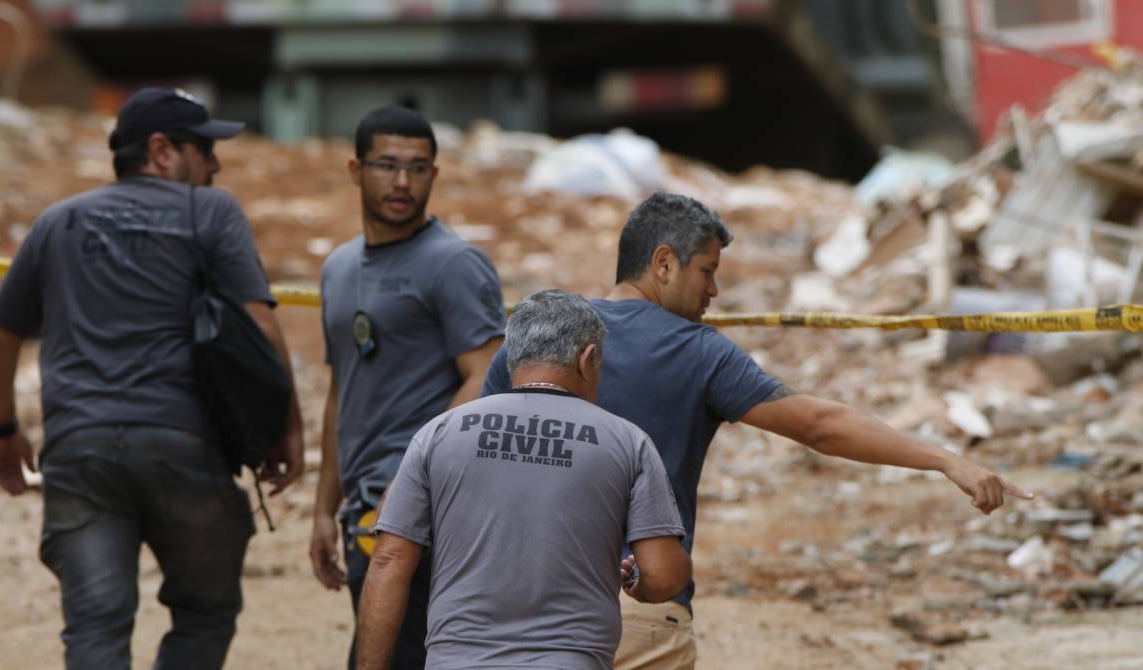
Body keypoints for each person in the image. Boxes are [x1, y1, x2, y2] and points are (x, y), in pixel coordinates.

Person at [482, 192, 1034, 670]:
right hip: (635, 617)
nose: (715, 291)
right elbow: (819, 424)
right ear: (664, 263)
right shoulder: (695, 351)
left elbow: (475, 457)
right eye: (707, 270)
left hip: (510, 607)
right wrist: (944, 459)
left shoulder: (537, 340)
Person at [0, 87, 305, 670]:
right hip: (185, 448)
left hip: (81, 454)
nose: (215, 164)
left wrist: (2, 431)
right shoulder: (211, 211)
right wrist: (286, 430)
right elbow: (260, 326)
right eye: (204, 149)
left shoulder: (57, 223)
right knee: (204, 611)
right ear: (161, 150)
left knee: (95, 629)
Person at [356, 289, 691, 670]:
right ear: (587, 359)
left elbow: (387, 560)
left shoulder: (439, 433)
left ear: (514, 356)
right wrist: (639, 587)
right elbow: (664, 575)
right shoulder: (628, 442)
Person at [310, 105, 506, 669]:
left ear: (435, 176)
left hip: (428, 515)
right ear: (355, 170)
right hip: (365, 516)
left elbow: (486, 374)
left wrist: (411, 480)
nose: (402, 182)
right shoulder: (338, 268)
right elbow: (341, 390)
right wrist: (326, 508)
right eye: (387, 165)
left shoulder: (454, 263)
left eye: (418, 168)